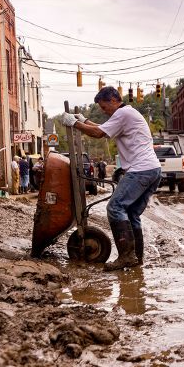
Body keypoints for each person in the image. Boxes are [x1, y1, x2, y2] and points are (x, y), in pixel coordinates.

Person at [61, 87, 162, 271]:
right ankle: (136, 257)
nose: (103, 110)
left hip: (141, 169)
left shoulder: (123, 114)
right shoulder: (126, 114)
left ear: (114, 100)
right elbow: (102, 129)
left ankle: (126, 257)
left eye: (104, 106)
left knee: (115, 207)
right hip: (152, 169)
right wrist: (84, 120)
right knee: (131, 214)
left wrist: (74, 124)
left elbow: (98, 134)